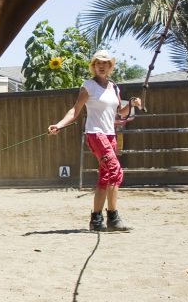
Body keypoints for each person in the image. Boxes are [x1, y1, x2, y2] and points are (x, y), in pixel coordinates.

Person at [48, 51, 142, 232]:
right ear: (93, 65)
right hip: (95, 134)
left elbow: (120, 113)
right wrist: (59, 125)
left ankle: (96, 220)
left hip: (110, 135)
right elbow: (75, 111)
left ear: (110, 67)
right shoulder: (88, 86)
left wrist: (131, 104)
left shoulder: (114, 87)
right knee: (116, 171)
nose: (101, 65)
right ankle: (113, 217)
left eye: (105, 63)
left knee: (105, 176)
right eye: (98, 62)